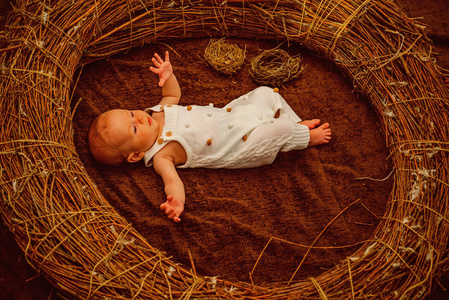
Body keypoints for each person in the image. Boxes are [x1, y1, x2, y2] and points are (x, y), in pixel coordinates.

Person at [88, 51, 332, 222]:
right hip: (238, 146)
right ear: (136, 155)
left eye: (131, 114)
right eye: (133, 129)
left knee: (266, 93)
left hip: (233, 117)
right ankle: (305, 137)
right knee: (279, 131)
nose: (139, 118)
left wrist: (168, 76)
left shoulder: (157, 111)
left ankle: (295, 122)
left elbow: (173, 96)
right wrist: (176, 202)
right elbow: (173, 183)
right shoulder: (161, 155)